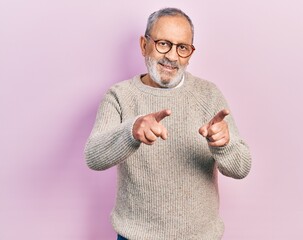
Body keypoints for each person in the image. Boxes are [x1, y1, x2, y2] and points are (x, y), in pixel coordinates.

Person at [84, 7, 251, 240]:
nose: (172, 56)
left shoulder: (209, 95)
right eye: (163, 43)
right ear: (144, 45)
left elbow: (241, 167)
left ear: (190, 54)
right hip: (135, 236)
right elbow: (93, 156)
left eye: (182, 47)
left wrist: (224, 145)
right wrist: (131, 132)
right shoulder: (119, 96)